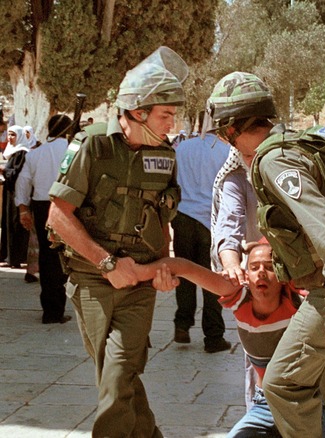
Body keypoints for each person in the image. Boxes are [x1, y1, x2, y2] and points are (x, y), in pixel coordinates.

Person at [204, 70, 325, 437]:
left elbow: (321, 224)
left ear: (230, 129)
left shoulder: (273, 160)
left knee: (281, 384)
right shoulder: (290, 145)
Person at [47, 46, 187, 437]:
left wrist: (160, 271)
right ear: (137, 112)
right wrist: (108, 264)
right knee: (116, 378)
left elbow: (163, 217)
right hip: (93, 280)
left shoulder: (167, 155)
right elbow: (58, 217)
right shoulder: (92, 145)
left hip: (140, 283)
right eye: (165, 116)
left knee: (120, 371)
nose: (171, 125)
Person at [135, 239, 325, 438]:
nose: (261, 272)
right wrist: (137, 273)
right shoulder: (240, 299)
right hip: (265, 404)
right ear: (246, 275)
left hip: (303, 404)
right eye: (254, 267)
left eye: (270, 267)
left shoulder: (299, 304)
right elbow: (183, 267)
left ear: (282, 275)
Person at [171, 131, 231, 351]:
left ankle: (182, 325)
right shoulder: (225, 151)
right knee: (212, 279)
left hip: (183, 216)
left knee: (184, 274)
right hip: (210, 220)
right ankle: (214, 336)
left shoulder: (183, 148)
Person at [14, 114, 73, 323]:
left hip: (42, 206)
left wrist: (23, 209)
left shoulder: (35, 154)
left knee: (48, 257)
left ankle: (51, 309)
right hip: (68, 206)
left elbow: (23, 183)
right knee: (68, 255)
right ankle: (60, 305)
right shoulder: (73, 152)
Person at [1, 125, 30, 269]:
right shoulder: (14, 152)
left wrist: (3, 170)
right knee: (8, 223)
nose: (10, 138)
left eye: (13, 135)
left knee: (14, 225)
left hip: (17, 194)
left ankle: (15, 258)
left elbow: (16, 173)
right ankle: (8, 256)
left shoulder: (22, 153)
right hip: (10, 192)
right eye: (9, 134)